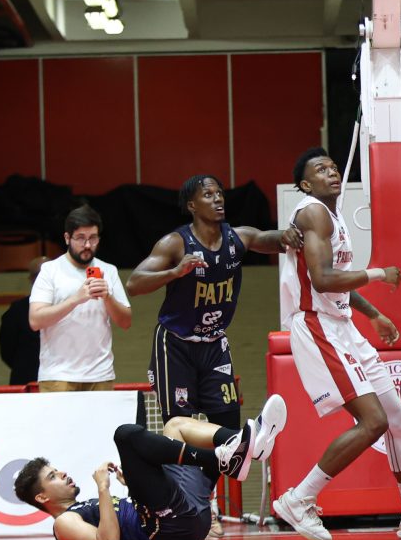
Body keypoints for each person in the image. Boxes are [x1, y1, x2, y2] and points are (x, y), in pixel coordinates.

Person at [271, 147, 401, 540]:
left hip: (342, 325)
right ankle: (299, 499)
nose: (331, 172)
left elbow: (336, 281)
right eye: (320, 169)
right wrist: (378, 274)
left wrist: (373, 314)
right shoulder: (312, 213)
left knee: (399, 418)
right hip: (318, 325)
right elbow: (322, 279)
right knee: (374, 421)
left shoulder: (334, 216)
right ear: (305, 184)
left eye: (333, 166)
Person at [127, 174, 301, 430]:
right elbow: (134, 284)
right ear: (192, 206)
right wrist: (175, 272)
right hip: (175, 343)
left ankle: (237, 447)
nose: (217, 198)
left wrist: (290, 235)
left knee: (229, 423)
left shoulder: (238, 238)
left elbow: (272, 239)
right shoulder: (175, 243)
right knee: (179, 426)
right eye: (208, 195)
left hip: (215, 343)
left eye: (219, 193)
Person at [14, 395, 287, 540]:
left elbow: (122, 517)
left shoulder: (82, 508)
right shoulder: (63, 523)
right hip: (168, 526)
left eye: (56, 470)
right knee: (125, 435)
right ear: (42, 497)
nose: (62, 474)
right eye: (52, 477)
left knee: (175, 426)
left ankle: (247, 445)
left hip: (182, 510)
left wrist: (130, 484)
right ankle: (222, 458)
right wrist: (103, 489)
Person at [29, 206, 131, 391]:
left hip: (101, 374)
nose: (87, 245)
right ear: (67, 238)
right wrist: (75, 299)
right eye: (81, 238)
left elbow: (125, 322)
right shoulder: (50, 271)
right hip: (58, 375)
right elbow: (35, 320)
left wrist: (107, 297)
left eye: (93, 238)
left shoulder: (108, 271)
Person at [0, 256, 49, 385]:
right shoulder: (17, 310)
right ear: (31, 279)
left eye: (48, 274)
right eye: (39, 274)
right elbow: (7, 349)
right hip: (26, 377)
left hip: (63, 378)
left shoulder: (69, 305)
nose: (44, 278)